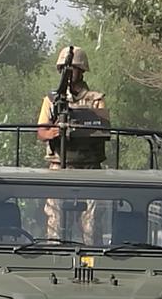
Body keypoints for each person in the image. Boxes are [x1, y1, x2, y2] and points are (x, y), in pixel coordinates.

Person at [36, 46, 111, 242]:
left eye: (71, 70)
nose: (67, 74)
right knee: (55, 218)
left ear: (81, 71)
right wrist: (53, 131)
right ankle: (55, 255)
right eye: (63, 70)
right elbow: (41, 131)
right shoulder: (52, 100)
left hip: (89, 166)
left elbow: (102, 129)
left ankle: (93, 256)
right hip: (59, 165)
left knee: (92, 219)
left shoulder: (96, 99)